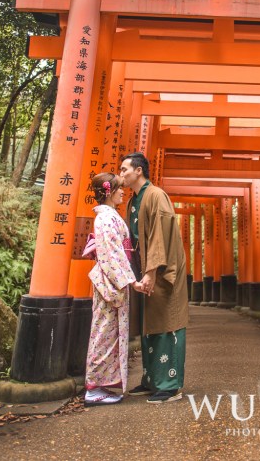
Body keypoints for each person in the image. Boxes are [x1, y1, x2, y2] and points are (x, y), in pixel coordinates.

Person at [119, 152, 189, 404]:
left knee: (167, 323)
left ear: (138, 171)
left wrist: (151, 271)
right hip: (146, 269)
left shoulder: (156, 195)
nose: (121, 174)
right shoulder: (134, 200)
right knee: (150, 326)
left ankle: (170, 385)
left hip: (162, 271)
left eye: (124, 169)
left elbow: (160, 235)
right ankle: (151, 380)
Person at [81, 172, 143, 406]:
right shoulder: (106, 219)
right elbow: (113, 254)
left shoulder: (109, 216)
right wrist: (131, 281)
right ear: (108, 192)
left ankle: (102, 384)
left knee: (108, 334)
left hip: (114, 280)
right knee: (103, 334)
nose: (123, 192)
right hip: (111, 282)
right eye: (119, 188)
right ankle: (93, 387)